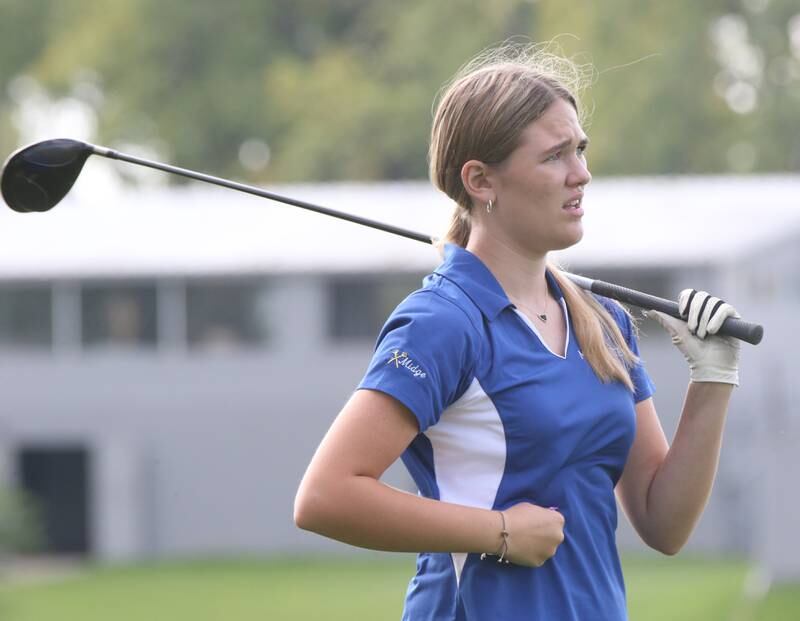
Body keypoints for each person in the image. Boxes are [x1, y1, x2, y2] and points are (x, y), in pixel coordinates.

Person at [294, 44, 741, 621]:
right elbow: (326, 495)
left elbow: (664, 523)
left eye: (579, 149)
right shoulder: (443, 323)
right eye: (555, 156)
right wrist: (499, 531)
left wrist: (713, 378)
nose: (581, 173)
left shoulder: (604, 321)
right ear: (481, 180)